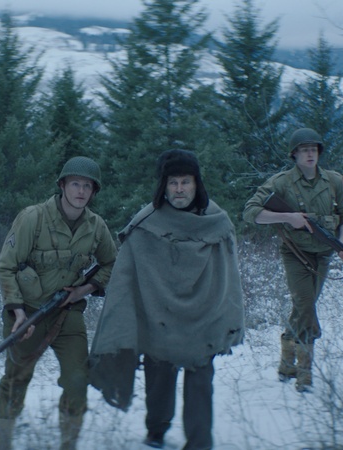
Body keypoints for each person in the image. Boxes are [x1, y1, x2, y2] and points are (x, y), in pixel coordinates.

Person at [88, 149, 245, 450]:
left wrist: (227, 318)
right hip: (158, 320)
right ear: (164, 186)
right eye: (173, 183)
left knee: (200, 386)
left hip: (203, 321)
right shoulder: (146, 224)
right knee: (158, 384)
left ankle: (199, 443)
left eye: (185, 182)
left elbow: (229, 279)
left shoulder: (218, 223)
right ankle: (156, 433)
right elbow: (126, 279)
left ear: (197, 184)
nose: (179, 189)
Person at [0, 156, 117, 450]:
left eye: (87, 186)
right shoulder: (33, 218)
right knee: (16, 378)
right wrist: (18, 312)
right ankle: (3, 440)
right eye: (75, 184)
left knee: (77, 380)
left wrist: (84, 289)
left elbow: (111, 263)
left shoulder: (96, 227)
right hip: (27, 312)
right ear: (62, 185)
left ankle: (68, 443)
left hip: (66, 313)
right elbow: (6, 267)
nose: (81, 191)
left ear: (93, 192)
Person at [243, 128, 343, 393]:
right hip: (295, 254)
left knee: (304, 307)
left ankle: (286, 360)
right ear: (294, 154)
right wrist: (287, 217)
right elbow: (251, 212)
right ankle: (304, 374)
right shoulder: (281, 182)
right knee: (306, 306)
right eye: (304, 150)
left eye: (313, 149)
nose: (309, 154)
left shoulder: (334, 181)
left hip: (324, 254)